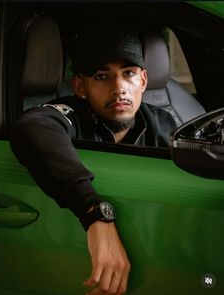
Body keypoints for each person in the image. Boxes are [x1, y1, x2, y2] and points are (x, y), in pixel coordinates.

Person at [10, 22, 176, 295]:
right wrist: (94, 213)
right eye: (101, 76)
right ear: (80, 86)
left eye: (129, 73)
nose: (119, 88)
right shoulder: (72, 113)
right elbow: (33, 128)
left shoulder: (163, 124)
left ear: (143, 80)